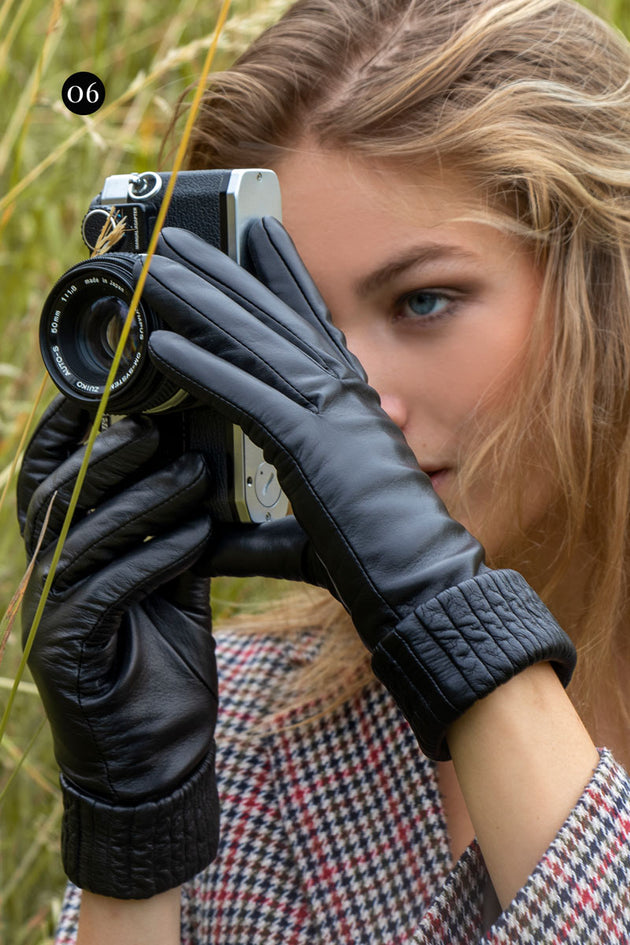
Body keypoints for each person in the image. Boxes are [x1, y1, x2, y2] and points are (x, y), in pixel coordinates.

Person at [18, 0, 630, 941]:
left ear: (607, 292)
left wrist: (456, 629)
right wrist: (136, 850)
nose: (357, 403)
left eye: (424, 300)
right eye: (291, 331)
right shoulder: (245, 729)